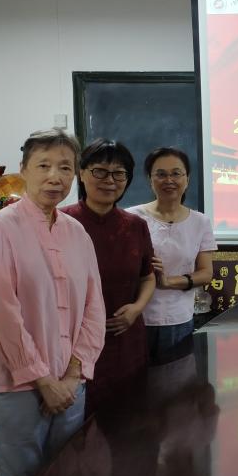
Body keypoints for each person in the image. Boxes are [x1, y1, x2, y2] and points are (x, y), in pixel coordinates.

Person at [0, 129, 106, 476]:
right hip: (15, 387)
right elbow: (3, 313)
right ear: (23, 170)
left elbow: (94, 307)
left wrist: (72, 376)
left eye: (65, 167)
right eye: (43, 166)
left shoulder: (77, 233)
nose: (55, 176)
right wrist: (43, 381)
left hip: (71, 385)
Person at [63, 139, 155, 416]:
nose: (110, 181)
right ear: (82, 173)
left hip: (126, 339)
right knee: (81, 424)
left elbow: (148, 277)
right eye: (100, 171)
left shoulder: (136, 226)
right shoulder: (62, 222)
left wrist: (137, 308)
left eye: (119, 173)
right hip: (75, 343)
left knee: (130, 421)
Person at [127, 147, 216, 361]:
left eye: (176, 173)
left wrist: (169, 282)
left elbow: (206, 273)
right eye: (161, 174)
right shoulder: (131, 218)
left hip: (180, 320)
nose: (169, 180)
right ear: (150, 179)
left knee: (176, 378)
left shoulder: (200, 222)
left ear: (187, 179)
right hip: (136, 318)